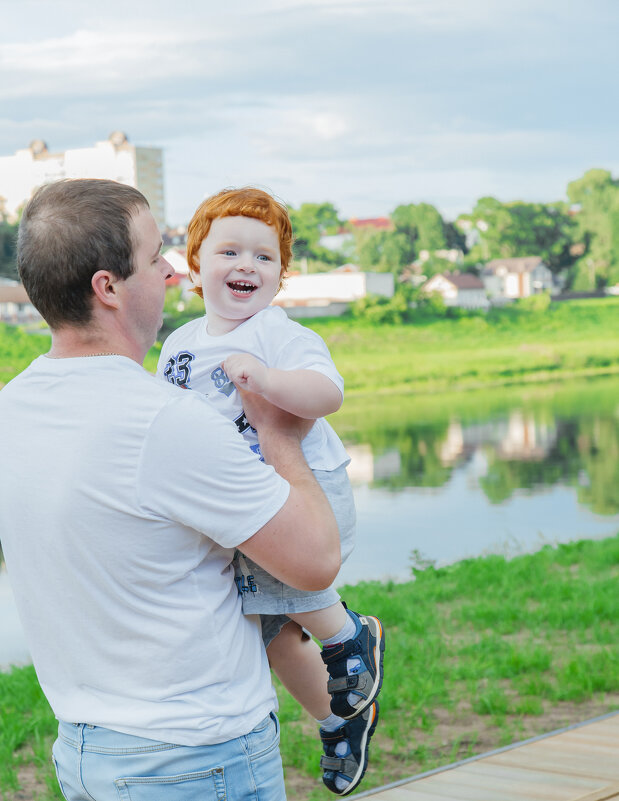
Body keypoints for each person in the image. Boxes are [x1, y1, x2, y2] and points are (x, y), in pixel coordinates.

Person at [0, 178, 345, 801]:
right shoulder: (164, 420)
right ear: (108, 288)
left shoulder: (12, 408)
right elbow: (316, 561)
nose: (167, 270)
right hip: (195, 757)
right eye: (154, 255)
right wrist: (283, 438)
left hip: (87, 748)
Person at [158, 187, 385, 795]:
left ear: (281, 278)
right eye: (229, 251)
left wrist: (271, 382)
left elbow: (328, 392)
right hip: (243, 504)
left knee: (285, 596)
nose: (245, 266)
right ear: (194, 268)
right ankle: (338, 719)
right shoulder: (180, 344)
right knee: (272, 626)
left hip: (303, 493)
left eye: (263, 258)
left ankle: (347, 636)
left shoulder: (277, 335)